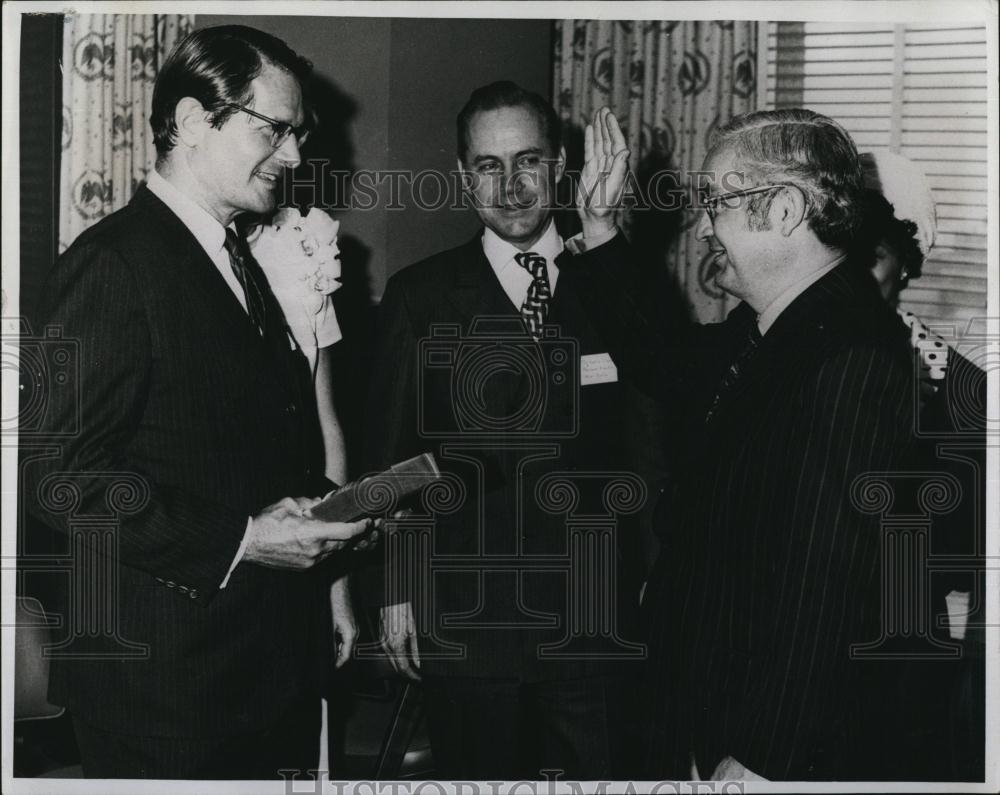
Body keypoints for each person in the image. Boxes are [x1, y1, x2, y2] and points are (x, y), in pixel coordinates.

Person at [24, 25, 373, 779]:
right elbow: (57, 477)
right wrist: (244, 538)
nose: (295, 156)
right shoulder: (114, 264)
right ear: (191, 121)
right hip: (165, 696)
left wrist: (331, 517)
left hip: (253, 675)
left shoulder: (233, 256)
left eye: (299, 134)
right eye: (275, 130)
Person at [564, 107, 923, 779]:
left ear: (784, 209)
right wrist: (601, 225)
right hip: (703, 703)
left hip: (758, 739)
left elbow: (829, 587)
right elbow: (666, 361)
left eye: (717, 203)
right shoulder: (782, 321)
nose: (704, 227)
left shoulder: (851, 354)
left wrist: (764, 756)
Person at [363, 81, 644, 780]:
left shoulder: (616, 284)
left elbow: (653, 446)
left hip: (593, 621)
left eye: (528, 161)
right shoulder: (420, 296)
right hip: (469, 622)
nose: (511, 186)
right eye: (489, 166)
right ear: (464, 176)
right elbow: (394, 461)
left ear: (560, 165)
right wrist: (397, 591)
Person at [855, 150, 987, 781]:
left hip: (896, 665)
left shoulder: (958, 390)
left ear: (907, 264)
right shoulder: (776, 364)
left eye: (870, 257)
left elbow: (965, 554)